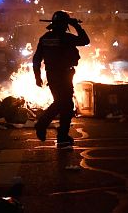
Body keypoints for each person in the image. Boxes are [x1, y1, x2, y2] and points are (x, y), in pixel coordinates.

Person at [32, 10, 90, 149]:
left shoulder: (45, 38)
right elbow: (85, 40)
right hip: (64, 74)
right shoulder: (67, 38)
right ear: (65, 25)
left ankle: (62, 136)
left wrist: (37, 77)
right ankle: (44, 124)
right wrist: (76, 25)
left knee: (65, 104)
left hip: (52, 75)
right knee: (63, 103)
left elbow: (36, 59)